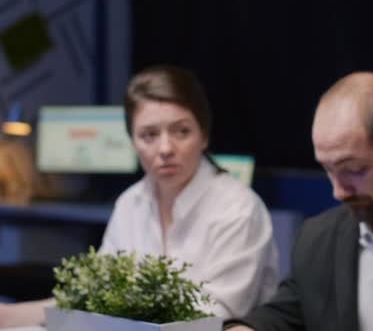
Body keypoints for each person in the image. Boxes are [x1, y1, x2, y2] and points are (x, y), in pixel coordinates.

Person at [0, 65, 279, 327]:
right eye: (149, 135)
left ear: (204, 135)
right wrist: (8, 316)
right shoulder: (130, 204)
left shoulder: (238, 209)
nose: (166, 148)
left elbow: (213, 318)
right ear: (132, 141)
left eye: (181, 131)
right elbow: (93, 297)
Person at [225, 72, 373, 331]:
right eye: (328, 170)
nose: (339, 192)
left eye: (353, 169)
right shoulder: (318, 240)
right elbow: (287, 312)